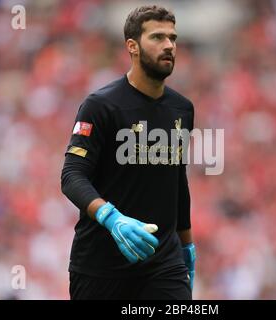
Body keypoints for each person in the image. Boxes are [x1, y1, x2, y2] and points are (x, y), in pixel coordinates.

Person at [61, 5, 196, 300]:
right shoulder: (101, 106)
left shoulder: (182, 109)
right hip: (99, 267)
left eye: (172, 38)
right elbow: (72, 176)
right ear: (132, 46)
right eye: (157, 37)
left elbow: (177, 180)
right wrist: (111, 218)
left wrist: (186, 245)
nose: (169, 45)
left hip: (163, 266)